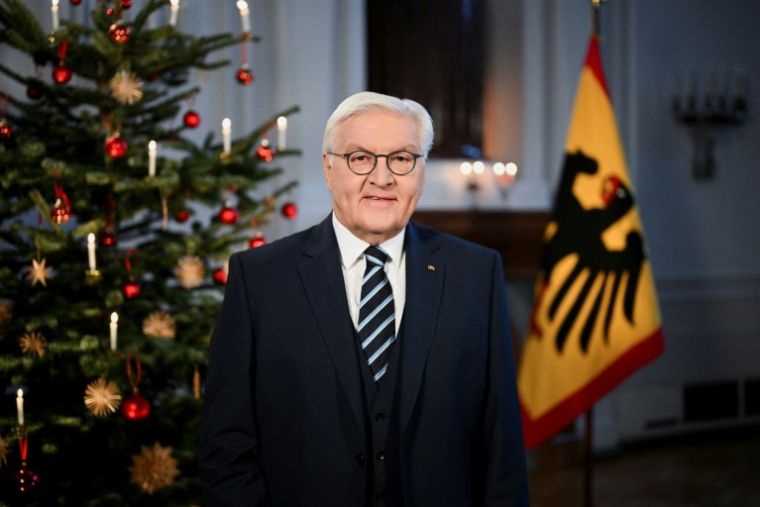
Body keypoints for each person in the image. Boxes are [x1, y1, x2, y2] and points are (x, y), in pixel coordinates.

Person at [199, 91, 529, 507]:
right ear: (329, 168)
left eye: (402, 158)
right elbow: (225, 446)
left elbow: (502, 444)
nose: (382, 177)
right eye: (360, 158)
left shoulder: (476, 274)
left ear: (421, 172)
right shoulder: (260, 279)